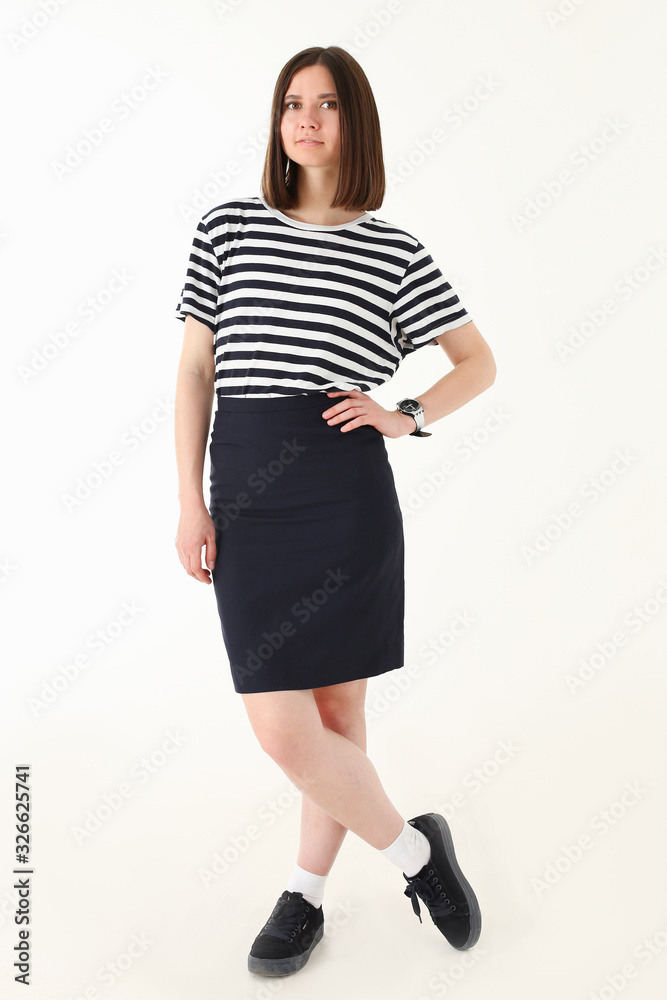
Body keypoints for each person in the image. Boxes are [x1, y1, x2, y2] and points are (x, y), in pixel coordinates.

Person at [173, 45, 496, 978]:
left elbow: (477, 361)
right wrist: (189, 500)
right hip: (246, 492)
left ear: (355, 121)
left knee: (335, 715)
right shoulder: (228, 228)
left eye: (325, 104)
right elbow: (195, 371)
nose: (305, 120)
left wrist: (406, 415)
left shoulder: (392, 249)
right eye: (291, 104)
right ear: (276, 122)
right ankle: (416, 854)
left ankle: (304, 897)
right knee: (283, 728)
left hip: (343, 495)